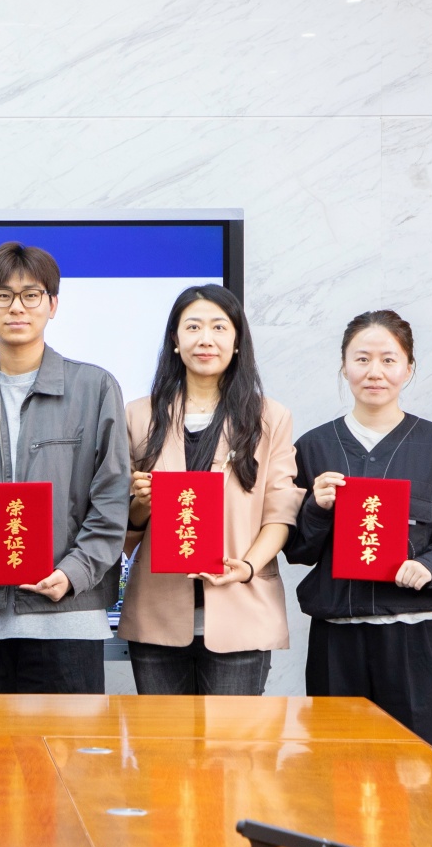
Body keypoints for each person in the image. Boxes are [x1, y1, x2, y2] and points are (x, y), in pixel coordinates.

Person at [0, 242, 129, 694]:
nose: (16, 307)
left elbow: (112, 498)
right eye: (2, 295)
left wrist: (74, 573)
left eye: (31, 295)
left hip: (69, 617)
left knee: (72, 743)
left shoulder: (94, 387)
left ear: (52, 304)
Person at [283, 310, 432, 766]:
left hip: (416, 636)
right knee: (338, 768)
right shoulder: (313, 447)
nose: (375, 372)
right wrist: (316, 508)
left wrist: (431, 564)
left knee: (421, 770)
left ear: (409, 368)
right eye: (362, 358)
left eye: (389, 360)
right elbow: (296, 549)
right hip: (338, 639)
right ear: (343, 366)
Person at [118, 285, 303, 695]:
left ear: (237, 341)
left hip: (242, 607)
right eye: (193, 327)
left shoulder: (269, 417)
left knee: (234, 738)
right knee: (163, 737)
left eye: (219, 327)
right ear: (175, 339)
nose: (206, 339)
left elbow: (280, 512)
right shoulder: (138, 415)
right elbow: (126, 523)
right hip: (158, 613)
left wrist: (248, 566)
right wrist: (141, 503)